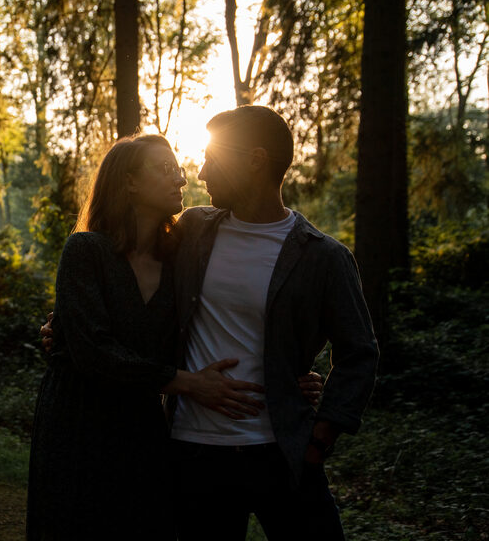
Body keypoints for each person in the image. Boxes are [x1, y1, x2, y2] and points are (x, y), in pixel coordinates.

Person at [26, 133, 322, 540]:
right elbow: (92, 350)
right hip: (80, 420)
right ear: (129, 182)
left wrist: (285, 377)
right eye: (164, 170)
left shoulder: (180, 258)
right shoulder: (86, 250)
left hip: (143, 426)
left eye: (178, 169)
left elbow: (222, 319)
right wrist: (190, 384)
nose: (181, 180)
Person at [167, 105, 379, 540]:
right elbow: (137, 281)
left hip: (281, 452)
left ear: (255, 160)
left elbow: (359, 352)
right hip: (194, 450)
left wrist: (320, 438)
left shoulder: (324, 257)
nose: (202, 172)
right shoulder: (193, 231)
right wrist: (72, 320)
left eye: (212, 158)